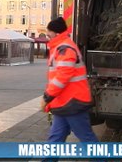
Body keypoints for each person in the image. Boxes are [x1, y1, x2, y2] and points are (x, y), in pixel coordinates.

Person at [41, 17, 98, 156]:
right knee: (55, 139)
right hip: (66, 103)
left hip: (72, 103)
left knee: (86, 139)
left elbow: (62, 76)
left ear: (55, 33)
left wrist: (47, 97)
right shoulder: (62, 47)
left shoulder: (64, 48)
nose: (48, 37)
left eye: (49, 34)